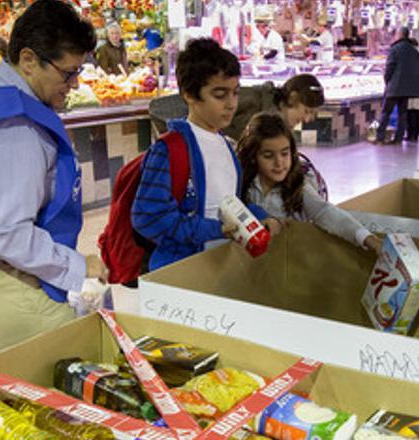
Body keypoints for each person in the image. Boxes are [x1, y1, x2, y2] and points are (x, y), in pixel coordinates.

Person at [0, 0, 106, 356]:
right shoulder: (16, 128)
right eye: (67, 73)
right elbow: (5, 232)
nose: (74, 84)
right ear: (29, 59)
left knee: (10, 386)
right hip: (3, 281)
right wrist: (78, 266)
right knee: (83, 369)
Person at [132, 38, 279, 272]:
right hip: (181, 277)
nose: (232, 104)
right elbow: (148, 217)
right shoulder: (169, 150)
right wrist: (214, 229)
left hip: (219, 271)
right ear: (189, 94)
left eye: (235, 93)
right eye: (220, 95)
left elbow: (229, 203)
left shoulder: (227, 145)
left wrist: (258, 217)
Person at [238, 112, 381, 254]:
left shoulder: (298, 185)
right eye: (268, 156)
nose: (279, 163)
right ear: (252, 157)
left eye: (285, 153)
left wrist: (366, 238)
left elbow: (324, 211)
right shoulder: (244, 183)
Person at [225, 74, 325, 139]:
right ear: (292, 98)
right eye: (306, 111)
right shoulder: (254, 98)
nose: (306, 120)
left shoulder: (281, 130)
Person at [374, 26, 419, 145]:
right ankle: (398, 138)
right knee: (403, 113)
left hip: (395, 86)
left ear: (399, 35)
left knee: (386, 112)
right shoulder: (414, 51)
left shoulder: (395, 49)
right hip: (407, 88)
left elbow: (390, 68)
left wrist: (387, 81)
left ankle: (380, 138)